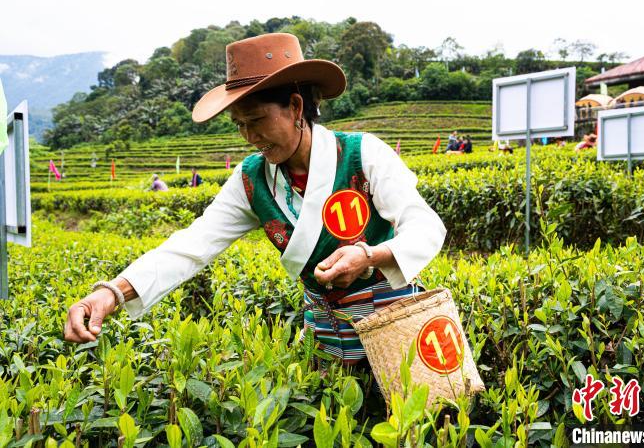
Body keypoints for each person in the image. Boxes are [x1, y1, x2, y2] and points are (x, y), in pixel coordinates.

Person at [63, 33, 446, 370]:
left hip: (396, 321)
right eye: (240, 125)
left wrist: (369, 255)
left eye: (257, 120)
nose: (249, 136)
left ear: (295, 107)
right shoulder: (252, 179)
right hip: (329, 334)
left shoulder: (362, 154)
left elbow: (424, 226)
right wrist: (112, 293)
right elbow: (192, 245)